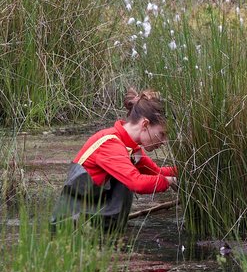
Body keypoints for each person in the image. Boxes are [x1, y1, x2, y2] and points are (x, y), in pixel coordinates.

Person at [50, 88, 177, 232]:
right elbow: (137, 183)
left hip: (92, 225)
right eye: (162, 134)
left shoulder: (132, 149)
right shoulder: (110, 144)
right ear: (145, 124)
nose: (165, 141)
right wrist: (169, 181)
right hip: (68, 228)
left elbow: (156, 172)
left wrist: (185, 171)